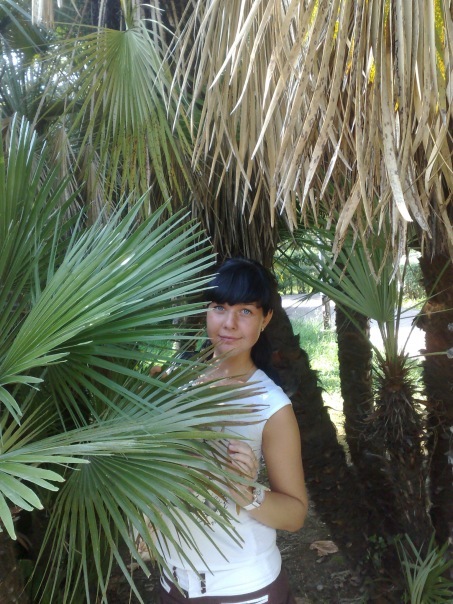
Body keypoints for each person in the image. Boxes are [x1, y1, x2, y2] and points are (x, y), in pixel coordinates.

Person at [157, 257, 308, 603]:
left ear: (265, 319)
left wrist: (246, 492)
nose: (229, 323)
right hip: (173, 582)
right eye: (219, 308)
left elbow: (296, 515)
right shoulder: (176, 383)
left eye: (245, 312)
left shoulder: (271, 406)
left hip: (243, 589)